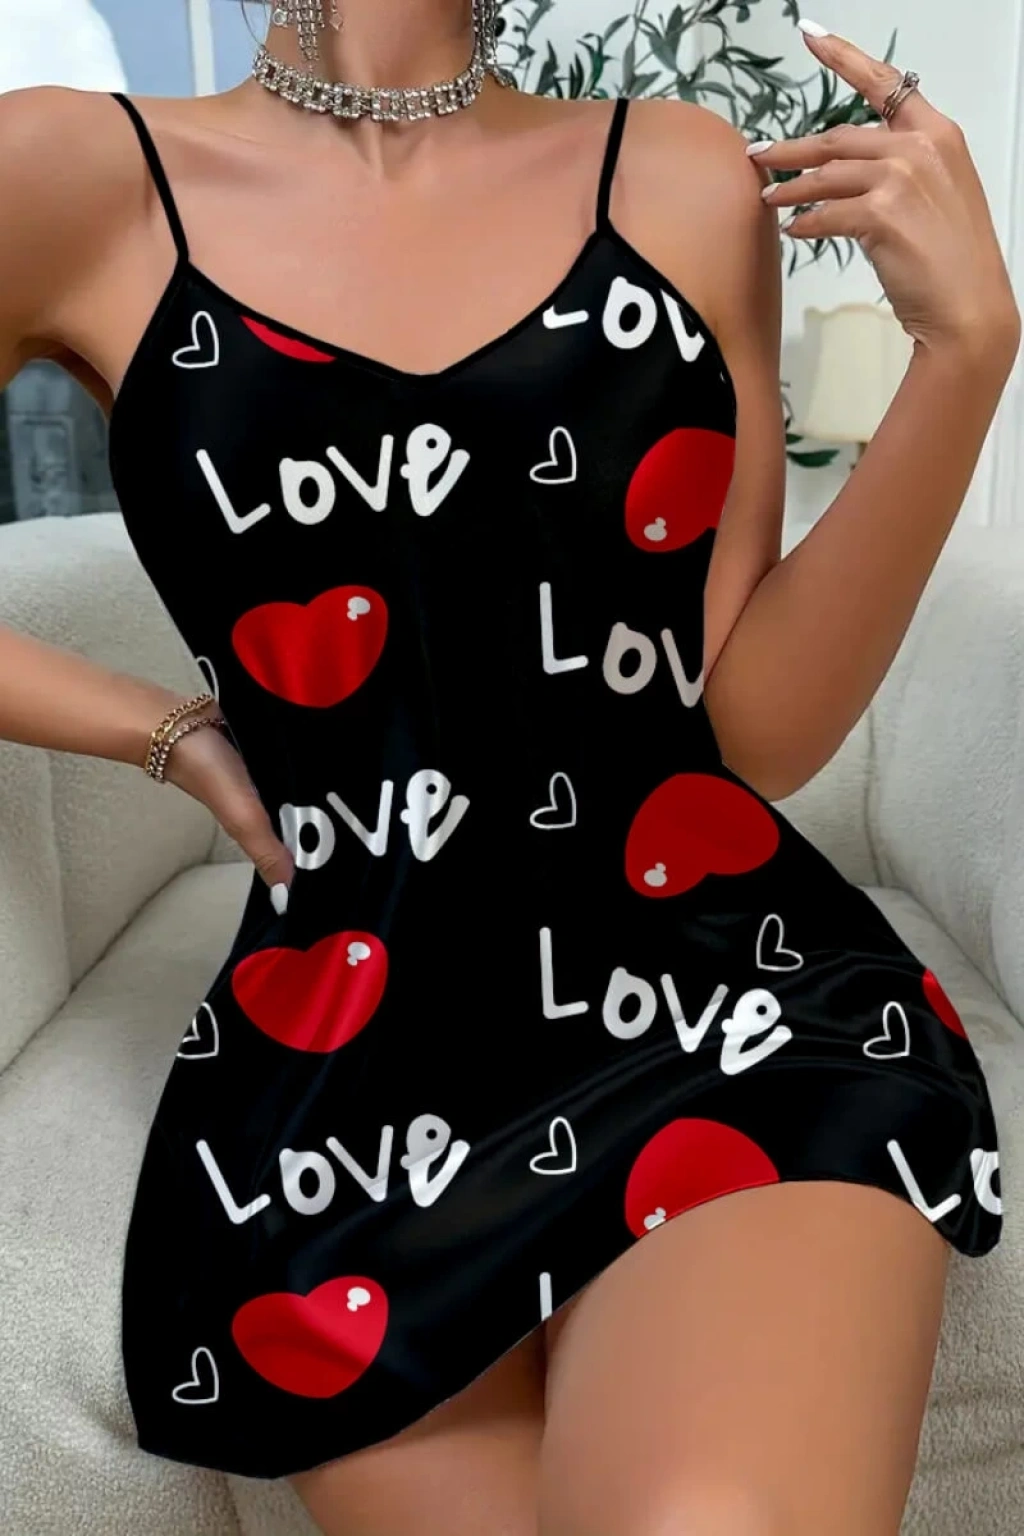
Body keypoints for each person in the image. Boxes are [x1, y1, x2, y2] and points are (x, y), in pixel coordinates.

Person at [0, 3, 1018, 1531]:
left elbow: (755, 733)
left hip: (721, 991)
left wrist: (964, 356)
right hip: (353, 1067)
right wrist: (157, 729)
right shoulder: (75, 174)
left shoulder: (674, 176)